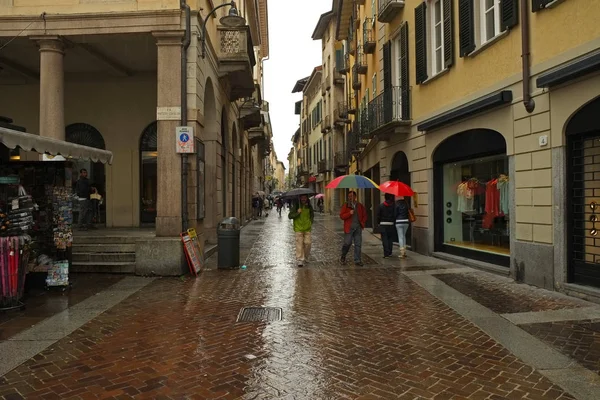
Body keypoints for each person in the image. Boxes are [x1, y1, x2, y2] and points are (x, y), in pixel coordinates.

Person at [339, 191, 367, 266]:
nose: (350, 198)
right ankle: (343, 255)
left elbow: (364, 215)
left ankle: (357, 260)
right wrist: (349, 213)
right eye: (349, 196)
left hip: (358, 228)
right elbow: (342, 216)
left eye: (351, 196)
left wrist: (362, 223)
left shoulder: (360, 205)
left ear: (355, 197)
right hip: (349, 228)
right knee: (347, 243)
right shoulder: (346, 205)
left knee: (358, 244)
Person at [288, 194, 314, 267]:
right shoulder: (296, 206)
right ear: (300, 198)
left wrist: (310, 222)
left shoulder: (309, 206)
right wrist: (297, 213)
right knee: (299, 244)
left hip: (307, 228)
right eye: (302, 198)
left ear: (307, 198)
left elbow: (312, 215)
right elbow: (290, 216)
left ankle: (306, 256)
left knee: (308, 243)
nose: (303, 199)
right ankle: (300, 259)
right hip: (298, 228)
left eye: (305, 197)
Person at [377, 193, 397, 258]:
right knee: (390, 239)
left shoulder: (381, 206)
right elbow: (395, 215)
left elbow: (378, 216)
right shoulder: (393, 206)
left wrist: (378, 223)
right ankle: (390, 252)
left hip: (383, 224)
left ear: (385, 198)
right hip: (391, 224)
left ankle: (386, 253)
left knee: (384, 239)